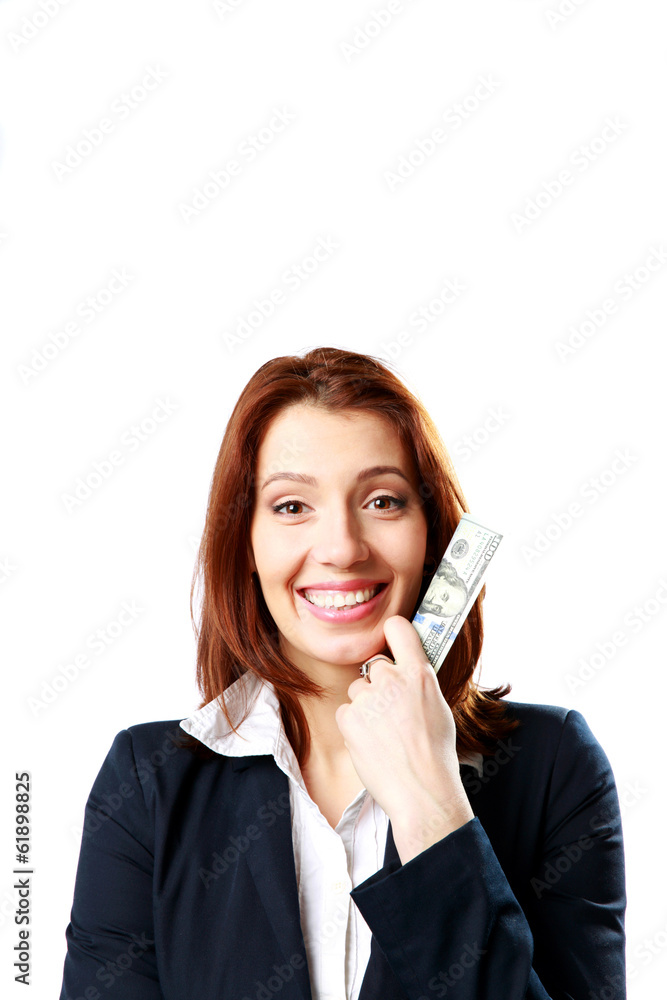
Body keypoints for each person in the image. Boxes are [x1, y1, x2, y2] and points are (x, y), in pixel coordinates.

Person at [59, 346, 626, 1000]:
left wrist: (431, 808)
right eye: (292, 507)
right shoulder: (148, 784)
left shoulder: (553, 767)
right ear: (243, 540)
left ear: (432, 534)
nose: (341, 549)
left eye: (383, 501)